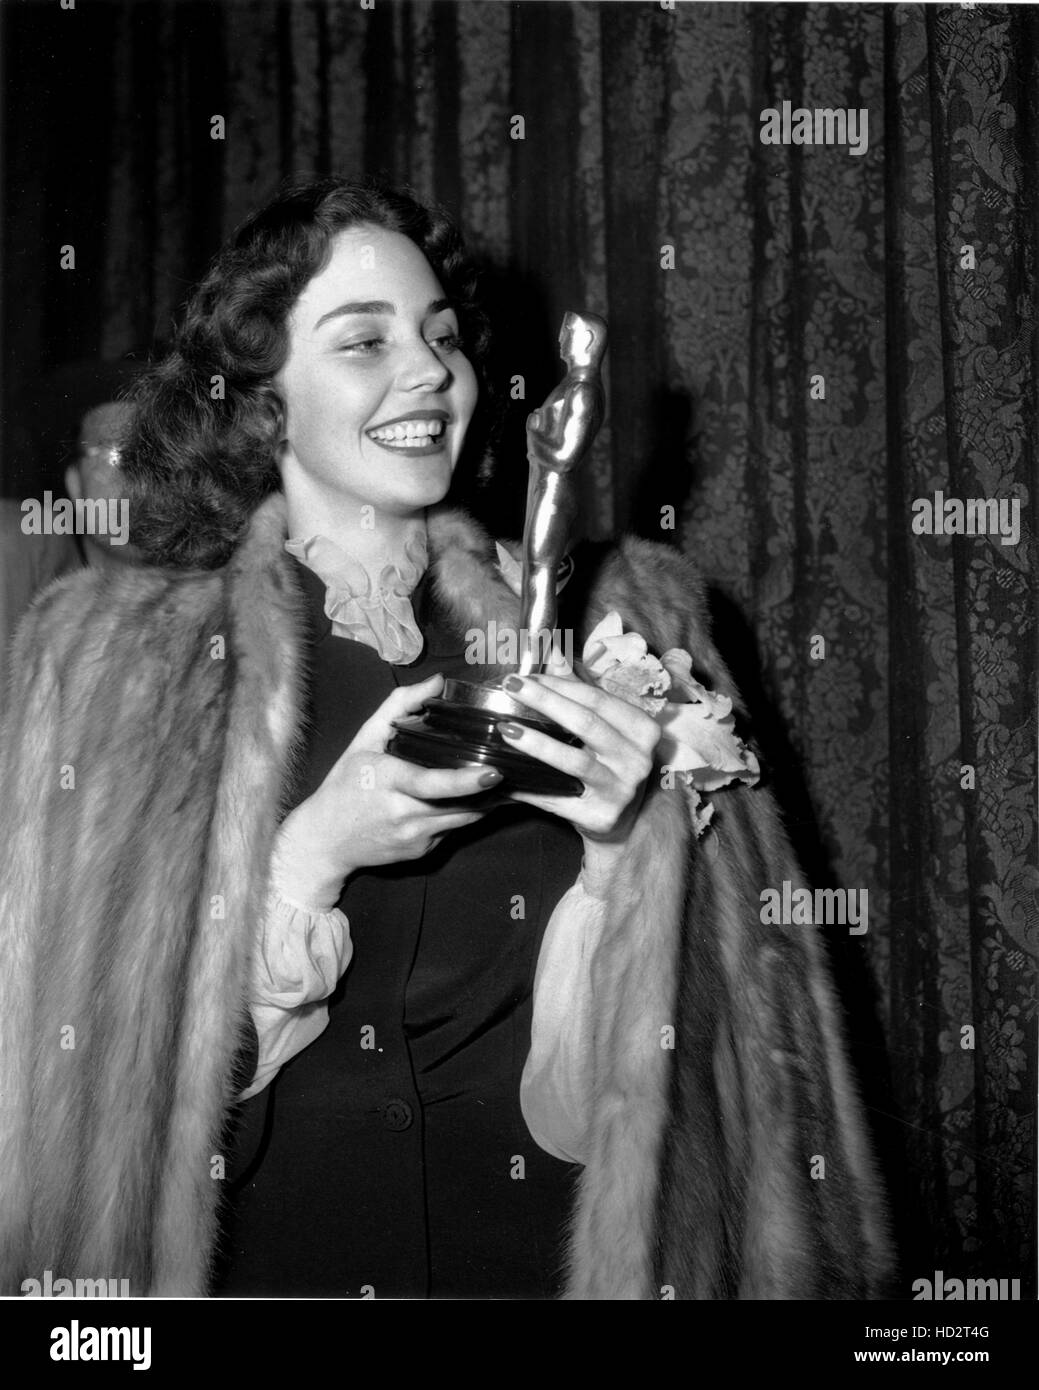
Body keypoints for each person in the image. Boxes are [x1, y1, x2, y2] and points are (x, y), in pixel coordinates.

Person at [0, 177, 890, 1300]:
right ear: (262, 402)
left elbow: (727, 1084)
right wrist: (315, 849)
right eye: (362, 341)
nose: (429, 370)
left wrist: (625, 858)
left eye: (440, 336)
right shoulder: (113, 659)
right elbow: (79, 1105)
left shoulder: (624, 623)